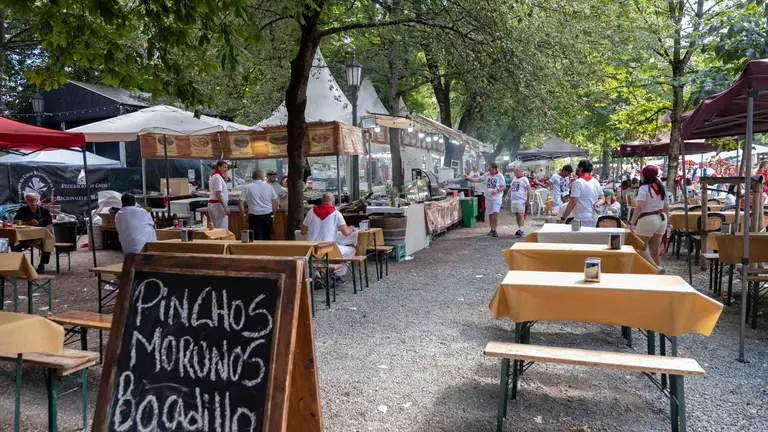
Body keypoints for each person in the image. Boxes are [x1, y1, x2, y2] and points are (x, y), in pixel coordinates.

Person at [301, 192, 356, 277]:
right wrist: (352, 227)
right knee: (351, 250)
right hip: (328, 250)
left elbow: (303, 232)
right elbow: (346, 233)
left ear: (322, 200)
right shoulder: (336, 213)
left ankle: (317, 273)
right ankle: (337, 275)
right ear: (333, 202)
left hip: (312, 250)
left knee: (319, 256)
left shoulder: (311, 212)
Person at [630, 165, 669, 272]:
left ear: (644, 175)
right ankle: (657, 276)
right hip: (662, 219)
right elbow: (666, 207)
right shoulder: (662, 188)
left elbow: (639, 206)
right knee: (654, 250)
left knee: (639, 247)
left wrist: (632, 222)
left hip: (648, 218)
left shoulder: (643, 188)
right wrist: (668, 223)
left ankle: (656, 269)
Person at [13, 192, 53, 273]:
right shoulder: (22, 210)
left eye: (35, 199)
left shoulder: (44, 210)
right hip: (25, 236)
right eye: (30, 200)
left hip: (40, 236)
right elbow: (14, 222)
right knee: (13, 243)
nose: (33, 202)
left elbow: (50, 224)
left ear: (37, 200)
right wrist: (29, 223)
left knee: (49, 240)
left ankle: (42, 264)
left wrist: (43, 228)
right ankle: (22, 265)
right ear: (26, 201)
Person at [465, 162, 506, 237]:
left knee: (495, 213)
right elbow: (478, 180)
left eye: (489, 168)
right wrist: (469, 178)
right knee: (490, 214)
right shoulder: (487, 174)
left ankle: (495, 230)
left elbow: (503, 187)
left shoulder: (500, 176)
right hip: (488, 197)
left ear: (494, 168)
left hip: (497, 197)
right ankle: (491, 229)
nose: (488, 169)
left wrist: (497, 190)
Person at [559, 160, 603, 227]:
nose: (576, 169)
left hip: (581, 217)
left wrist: (563, 217)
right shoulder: (596, 182)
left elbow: (572, 202)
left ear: (581, 168)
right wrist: (597, 204)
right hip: (594, 216)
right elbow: (602, 198)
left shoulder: (578, 182)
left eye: (577, 167)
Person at [239, 170, 278, 240]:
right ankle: (267, 250)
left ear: (252, 177)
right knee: (267, 235)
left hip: (254, 215)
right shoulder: (269, 187)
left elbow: (240, 202)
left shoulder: (247, 187)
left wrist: (244, 215)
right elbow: (275, 201)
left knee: (256, 237)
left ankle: (257, 250)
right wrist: (273, 214)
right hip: (267, 214)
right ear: (262, 177)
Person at [505, 166, 531, 237]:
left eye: (516, 171)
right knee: (517, 215)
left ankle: (521, 229)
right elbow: (511, 188)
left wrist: (528, 200)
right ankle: (519, 228)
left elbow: (529, 189)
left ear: (520, 171)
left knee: (521, 214)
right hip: (514, 200)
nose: (514, 172)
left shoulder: (524, 179)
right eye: (514, 171)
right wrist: (507, 195)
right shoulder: (514, 179)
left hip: (521, 200)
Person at [208, 160, 230, 229]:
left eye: (226, 168)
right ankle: (220, 239)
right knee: (221, 227)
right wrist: (225, 207)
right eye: (224, 167)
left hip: (215, 204)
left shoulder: (214, 175)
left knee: (216, 226)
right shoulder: (217, 177)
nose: (226, 169)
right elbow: (218, 193)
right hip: (218, 205)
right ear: (219, 167)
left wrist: (225, 178)